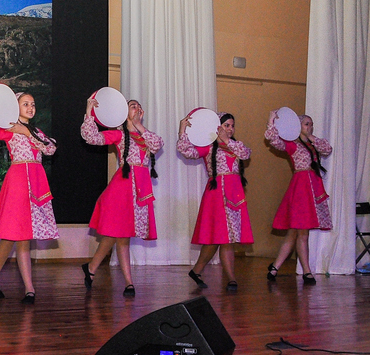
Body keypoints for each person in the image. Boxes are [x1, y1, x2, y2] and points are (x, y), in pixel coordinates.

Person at [0, 85, 58, 304]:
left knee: (23, 238)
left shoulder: (37, 132)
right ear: (15, 107)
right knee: (12, 235)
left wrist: (28, 132)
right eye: (25, 104)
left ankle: (27, 288)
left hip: (37, 181)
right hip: (18, 180)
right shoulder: (9, 128)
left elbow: (50, 149)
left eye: (33, 104)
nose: (30, 107)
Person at [79, 97, 162, 295]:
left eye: (139, 107)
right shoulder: (119, 134)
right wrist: (89, 112)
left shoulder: (145, 136)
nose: (137, 108)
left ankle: (95, 269)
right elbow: (92, 137)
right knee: (118, 235)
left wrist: (139, 126)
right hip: (121, 189)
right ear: (124, 113)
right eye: (132, 106)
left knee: (121, 237)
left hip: (140, 190)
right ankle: (126, 281)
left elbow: (157, 144)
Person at [177, 111, 253, 290]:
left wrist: (226, 141)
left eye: (232, 126)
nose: (230, 129)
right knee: (218, 238)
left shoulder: (235, 146)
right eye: (227, 125)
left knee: (225, 238)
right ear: (217, 127)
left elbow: (246, 154)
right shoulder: (209, 147)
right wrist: (182, 130)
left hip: (234, 194)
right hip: (216, 194)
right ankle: (230, 278)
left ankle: (200, 271)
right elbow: (185, 151)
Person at [265, 111, 332, 284]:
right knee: (302, 232)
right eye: (306, 124)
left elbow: (327, 148)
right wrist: (271, 121)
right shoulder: (293, 144)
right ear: (298, 126)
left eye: (311, 124)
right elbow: (274, 141)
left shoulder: (312, 144)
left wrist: (311, 137)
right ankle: (307, 271)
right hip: (301, 189)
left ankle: (275, 267)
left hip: (312, 187)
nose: (310, 127)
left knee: (294, 232)